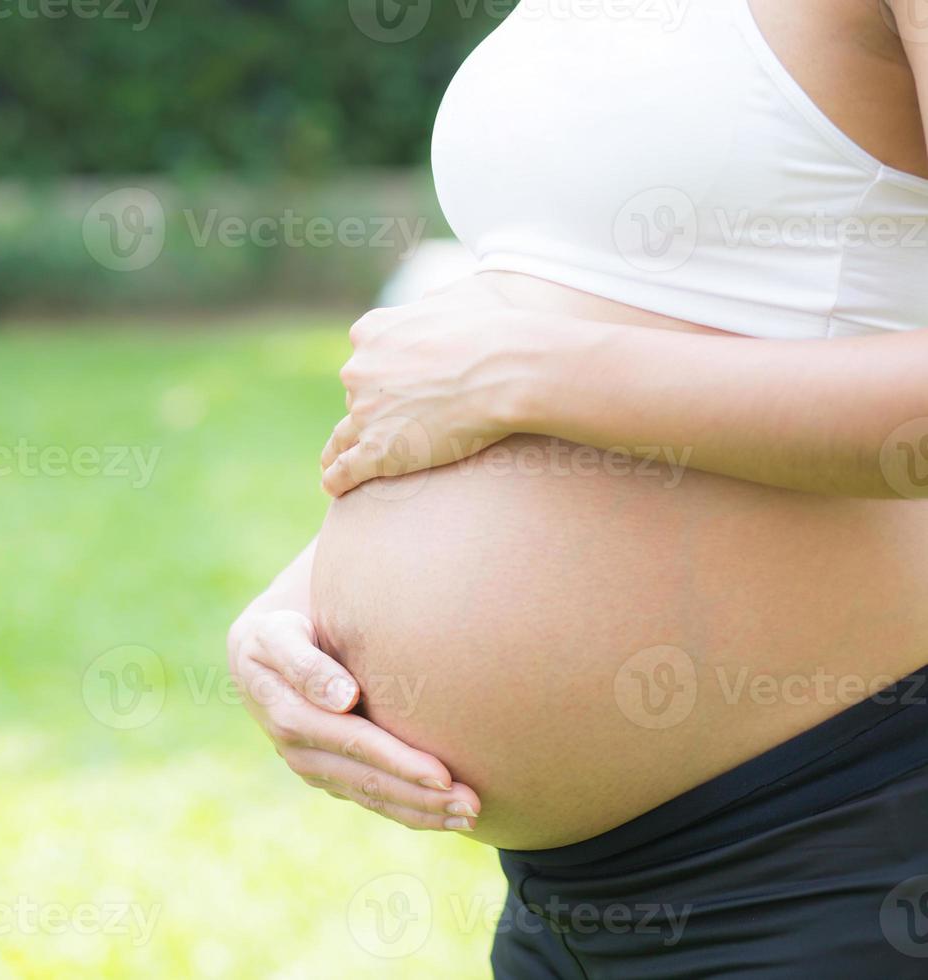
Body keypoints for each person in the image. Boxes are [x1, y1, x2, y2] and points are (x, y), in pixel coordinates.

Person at [228, 0, 928, 973]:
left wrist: (534, 372)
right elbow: (550, 305)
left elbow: (521, 362)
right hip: (566, 901)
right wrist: (294, 608)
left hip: (836, 846)